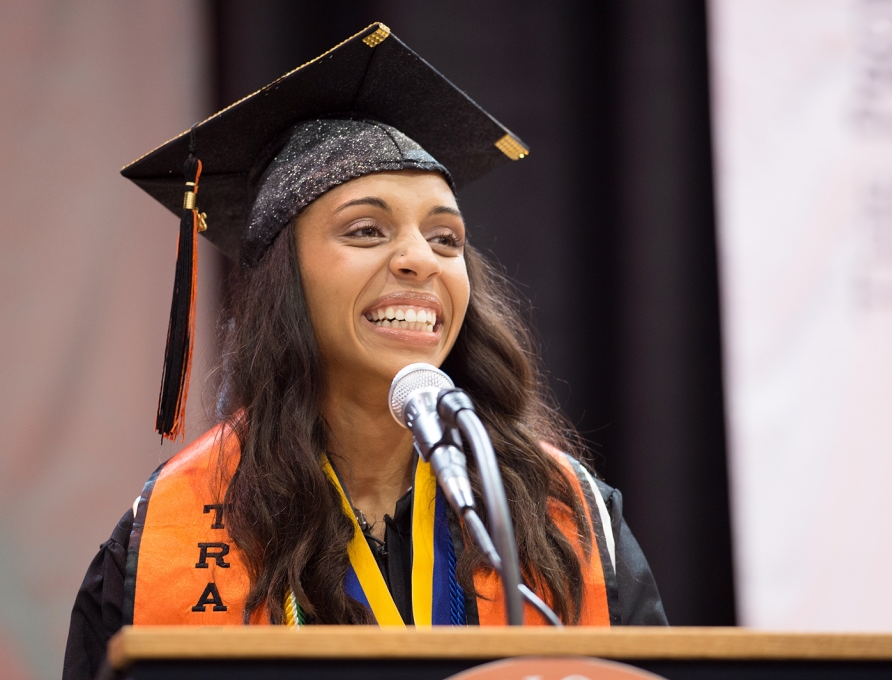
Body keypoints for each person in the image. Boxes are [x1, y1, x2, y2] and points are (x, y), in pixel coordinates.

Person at [63, 23, 666, 680]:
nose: (418, 259)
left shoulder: (564, 514)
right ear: (284, 281)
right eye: (366, 229)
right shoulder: (165, 535)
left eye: (445, 238)